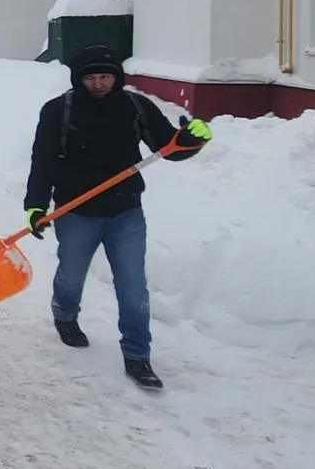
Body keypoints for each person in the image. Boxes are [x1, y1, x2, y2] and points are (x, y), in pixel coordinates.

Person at [23, 44, 210, 391]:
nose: (98, 84)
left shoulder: (135, 107)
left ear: (117, 77)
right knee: (71, 274)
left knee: (133, 285)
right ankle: (65, 314)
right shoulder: (58, 111)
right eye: (90, 78)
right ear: (79, 79)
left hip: (126, 211)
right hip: (75, 211)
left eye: (105, 77)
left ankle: (138, 355)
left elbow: (168, 147)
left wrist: (190, 141)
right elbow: (43, 161)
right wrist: (35, 205)